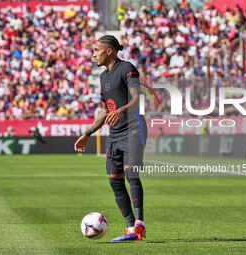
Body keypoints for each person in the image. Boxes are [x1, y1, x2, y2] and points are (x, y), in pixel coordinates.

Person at [74, 35, 147, 242]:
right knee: (115, 181)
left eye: (96, 50)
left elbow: (136, 98)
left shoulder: (127, 68)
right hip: (115, 133)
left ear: (109, 51)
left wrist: (122, 110)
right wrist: (87, 133)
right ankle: (130, 228)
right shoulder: (103, 77)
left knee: (131, 174)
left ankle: (139, 226)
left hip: (133, 127)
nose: (93, 55)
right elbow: (105, 111)